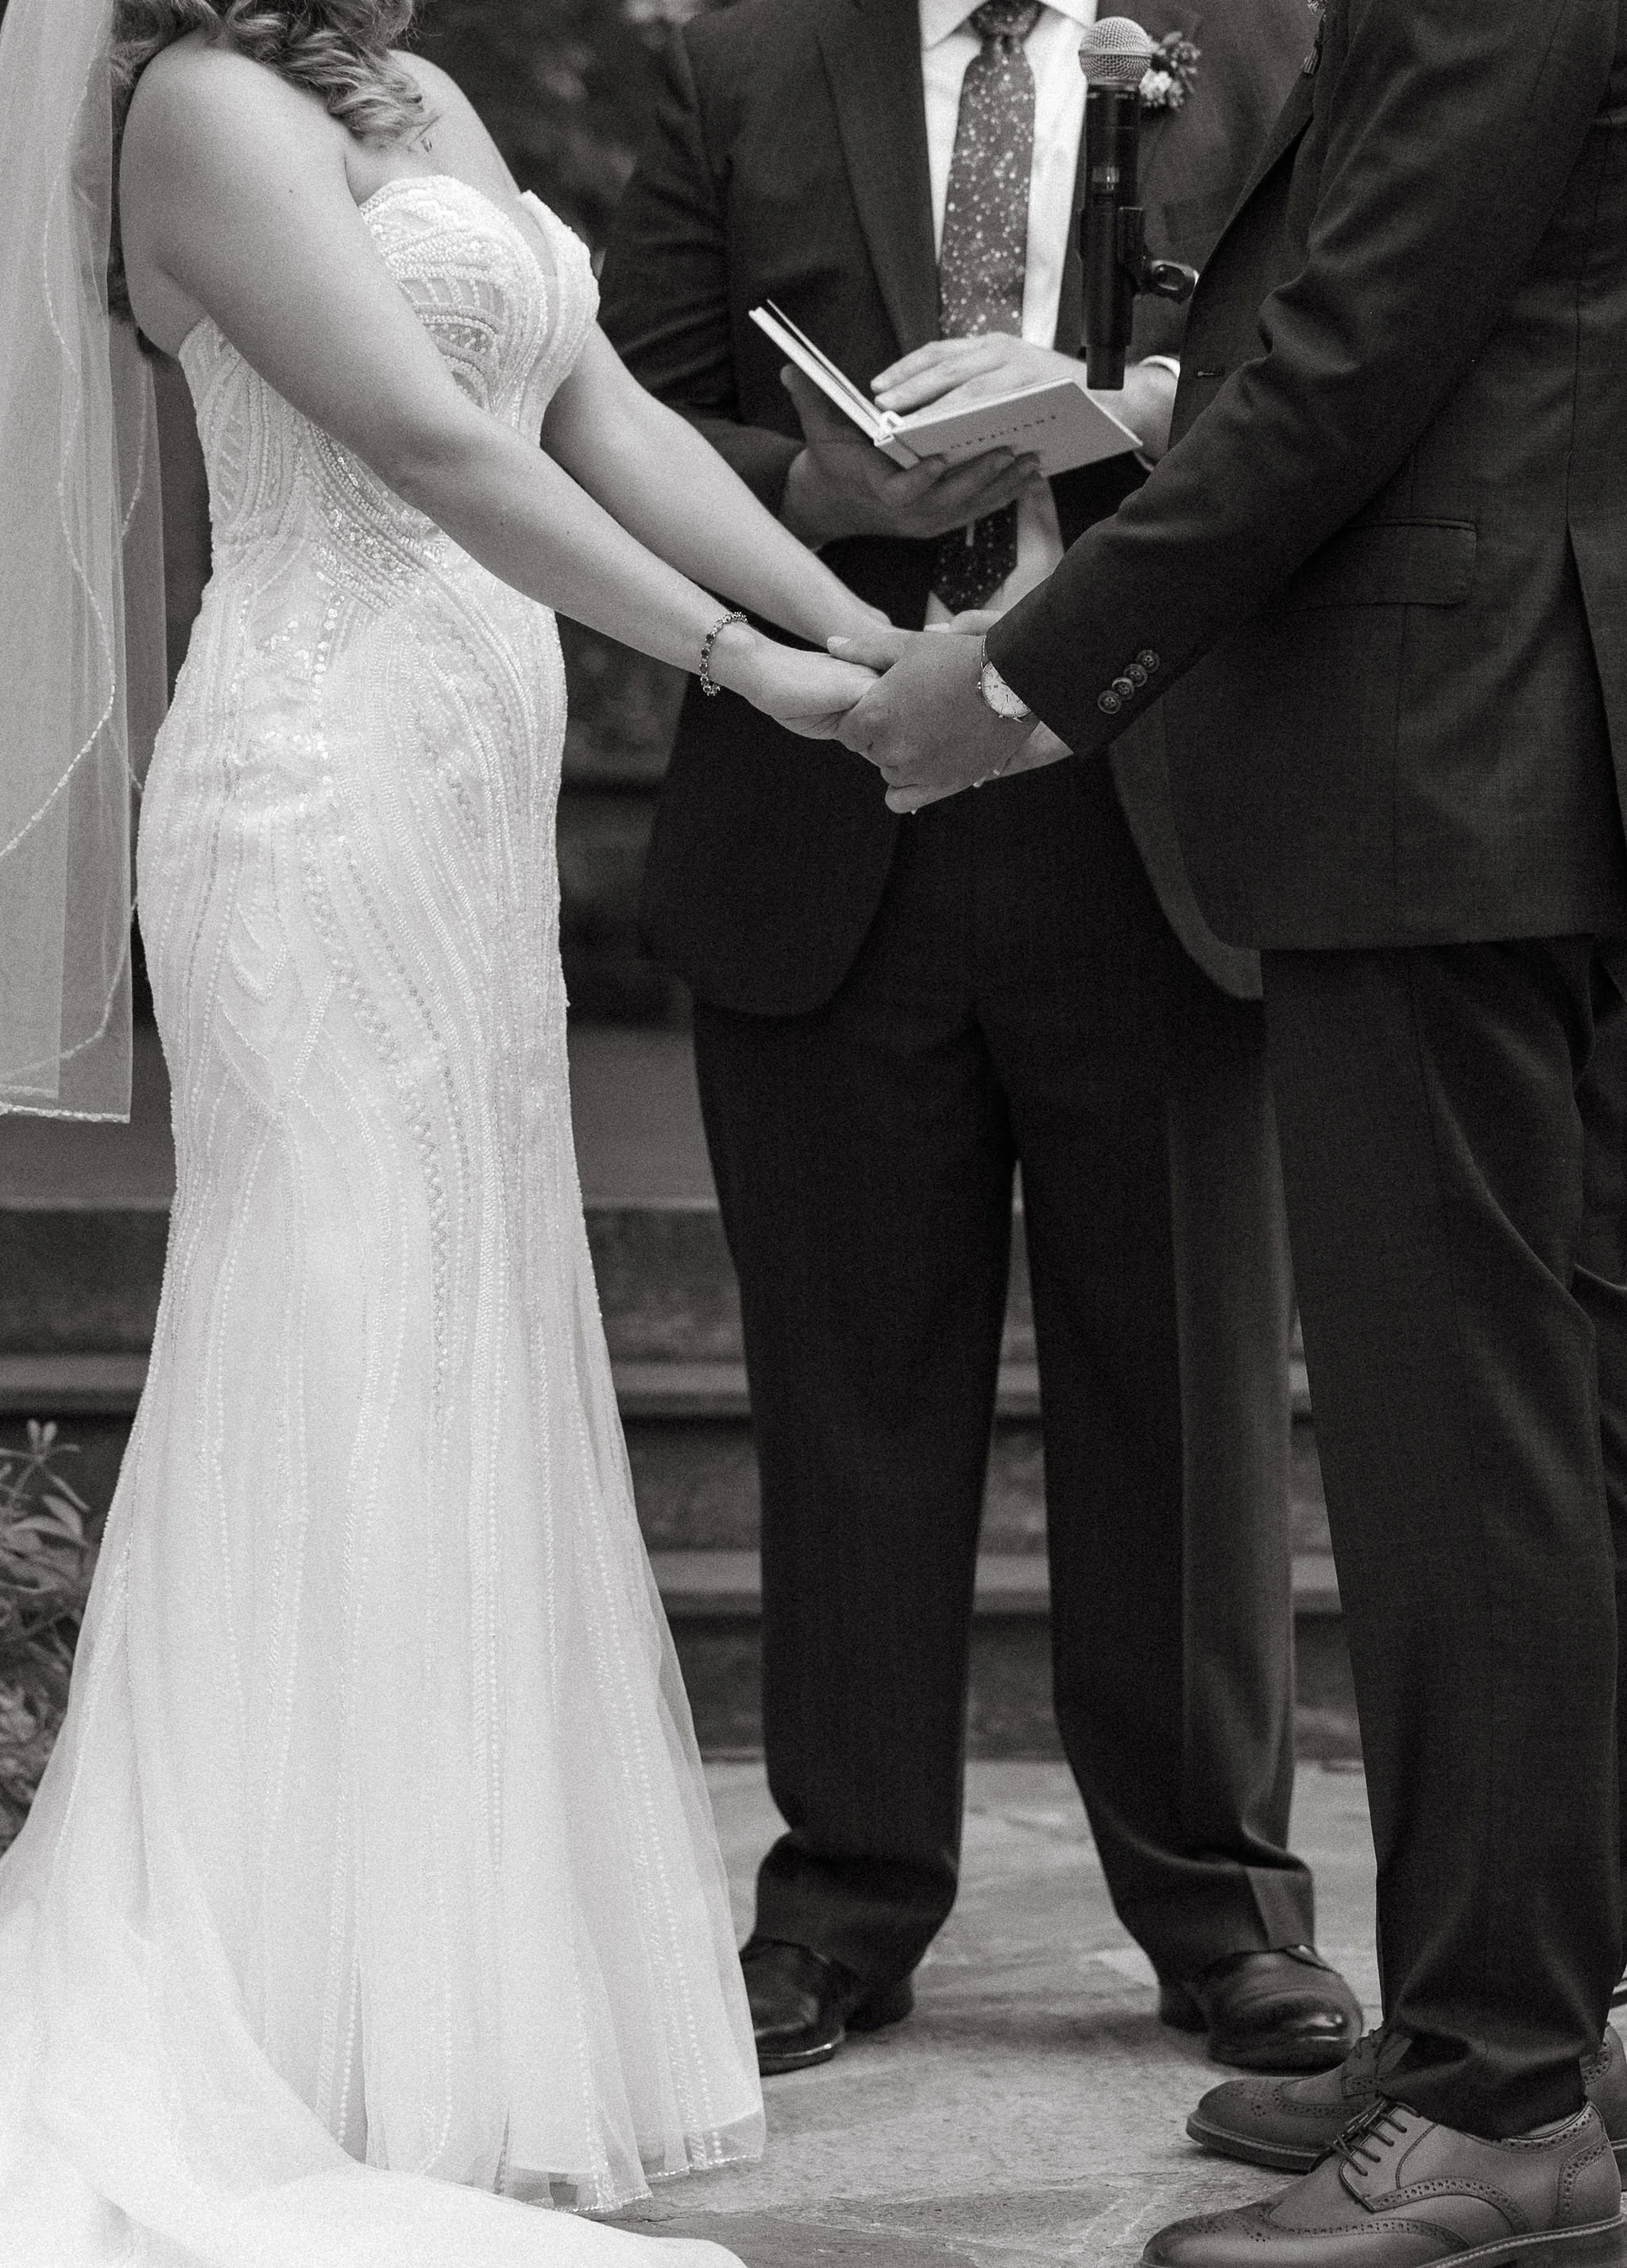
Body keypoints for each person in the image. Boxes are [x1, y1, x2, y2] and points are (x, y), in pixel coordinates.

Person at [0, 0, 884, 2259]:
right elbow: (431, 447)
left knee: (469, 1345)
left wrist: (867, 638)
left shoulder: (418, 99)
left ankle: (452, 1999)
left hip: (464, 812)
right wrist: (737, 671)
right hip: (313, 802)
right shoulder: (193, 114)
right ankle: (304, 2009)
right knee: (338, 1348)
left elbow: (590, 416)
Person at [832, 0, 1627, 2262]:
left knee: (1464, 1443)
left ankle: (1500, 2095)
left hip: (1451, 755)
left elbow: (1349, 360)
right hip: (1506, 752)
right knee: (1550, 1419)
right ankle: (1538, 2018)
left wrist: (1019, 677)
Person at [598, 0, 1360, 2080]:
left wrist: (1113, 419)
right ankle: (845, 1894)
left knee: (1189, 1389)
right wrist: (819, 477)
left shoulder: (1262, 58)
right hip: (833, 805)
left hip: (1158, 813)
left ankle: (1223, 1907)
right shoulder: (736, 68)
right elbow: (621, 409)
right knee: (849, 1383)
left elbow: (1334, 393)